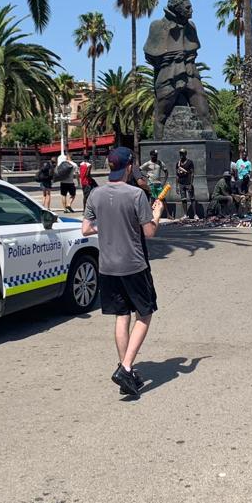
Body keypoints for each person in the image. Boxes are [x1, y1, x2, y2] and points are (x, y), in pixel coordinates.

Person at [81, 147, 164, 398]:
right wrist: (157, 214)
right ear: (129, 167)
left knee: (121, 316)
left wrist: (106, 227)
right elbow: (149, 232)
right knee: (145, 313)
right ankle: (126, 368)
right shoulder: (136, 195)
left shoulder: (95, 194)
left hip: (107, 266)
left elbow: (85, 229)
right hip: (134, 265)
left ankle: (125, 368)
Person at [175, 148, 198, 219]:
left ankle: (195, 214)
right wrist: (177, 186)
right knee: (183, 199)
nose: (181, 155)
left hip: (188, 183)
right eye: (180, 154)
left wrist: (191, 184)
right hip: (181, 183)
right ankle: (185, 214)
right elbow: (177, 175)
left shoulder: (189, 162)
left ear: (185, 154)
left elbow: (192, 173)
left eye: (182, 153)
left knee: (192, 198)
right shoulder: (178, 163)